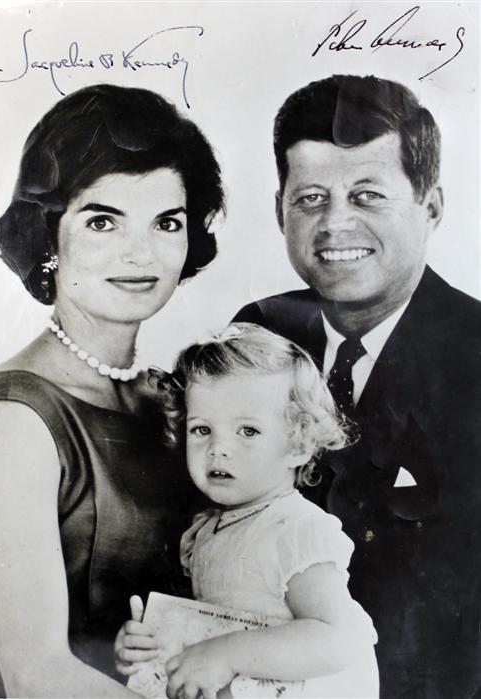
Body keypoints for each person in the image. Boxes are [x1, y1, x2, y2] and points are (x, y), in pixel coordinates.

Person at [0, 83, 224, 698]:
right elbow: (37, 679)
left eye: (166, 223)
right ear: (49, 238)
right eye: (103, 220)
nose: (140, 252)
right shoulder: (15, 421)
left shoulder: (171, 400)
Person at [233, 74, 481, 698]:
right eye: (311, 197)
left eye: (367, 196)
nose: (334, 224)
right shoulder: (261, 332)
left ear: (432, 206)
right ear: (279, 209)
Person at [115, 323, 379, 699]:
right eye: (202, 429)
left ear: (299, 444)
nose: (218, 448)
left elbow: (338, 638)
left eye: (248, 431)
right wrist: (150, 643)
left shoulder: (295, 530)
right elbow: (207, 627)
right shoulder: (206, 531)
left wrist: (224, 655)